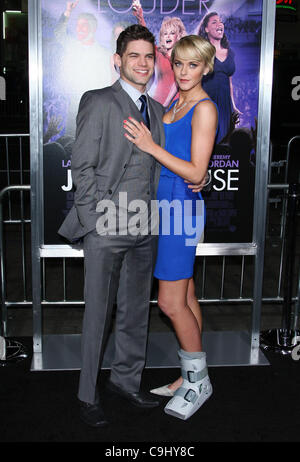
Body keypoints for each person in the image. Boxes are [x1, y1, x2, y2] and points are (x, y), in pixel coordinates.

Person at [58, 25, 167, 428]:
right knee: (98, 314)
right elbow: (82, 166)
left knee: (137, 312)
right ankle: (88, 394)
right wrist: (95, 221)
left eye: (149, 56)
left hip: (145, 227)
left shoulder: (156, 110)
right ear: (117, 60)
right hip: (107, 227)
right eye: (134, 55)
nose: (142, 63)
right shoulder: (99, 101)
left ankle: (125, 380)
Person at [124, 35, 218, 420]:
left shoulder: (205, 108)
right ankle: (191, 372)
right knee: (187, 294)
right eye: (178, 63)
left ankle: (198, 382)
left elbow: (196, 170)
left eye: (192, 65)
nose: (183, 71)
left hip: (181, 210)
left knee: (169, 302)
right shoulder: (178, 101)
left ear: (206, 68)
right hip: (164, 207)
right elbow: (193, 166)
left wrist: (151, 146)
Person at [54, 1, 111, 136]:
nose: (79, 29)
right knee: (72, 141)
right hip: (75, 105)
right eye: (77, 25)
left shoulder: (104, 53)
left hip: (97, 106)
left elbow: (108, 81)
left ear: (93, 28)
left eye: (83, 25)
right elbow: (58, 33)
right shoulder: (72, 46)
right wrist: (68, 11)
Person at [197, 12, 241, 144]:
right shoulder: (202, 52)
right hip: (207, 102)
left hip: (225, 104)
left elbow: (230, 81)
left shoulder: (230, 52)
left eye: (220, 21)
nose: (219, 24)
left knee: (224, 143)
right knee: (207, 142)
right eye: (214, 22)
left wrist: (233, 106)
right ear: (206, 29)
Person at [133, 1, 186, 107]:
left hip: (178, 103)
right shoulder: (158, 54)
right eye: (165, 33)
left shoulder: (185, 56)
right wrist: (140, 16)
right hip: (159, 101)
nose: (168, 36)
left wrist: (167, 104)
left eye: (172, 33)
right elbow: (146, 37)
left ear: (178, 35)